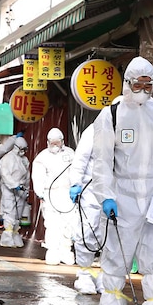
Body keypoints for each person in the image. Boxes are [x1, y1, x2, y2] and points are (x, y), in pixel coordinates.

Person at [85, 57, 153, 305]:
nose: (143, 89)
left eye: (149, 84)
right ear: (127, 83)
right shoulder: (111, 115)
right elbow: (101, 162)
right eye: (138, 83)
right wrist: (106, 196)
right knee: (115, 258)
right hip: (123, 196)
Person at [67, 124, 104, 295]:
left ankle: (106, 276)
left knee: (110, 237)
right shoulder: (95, 130)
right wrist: (76, 183)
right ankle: (84, 273)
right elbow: (80, 159)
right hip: (91, 190)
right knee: (87, 233)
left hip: (116, 192)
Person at [31, 128, 76, 266]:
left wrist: (76, 186)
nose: (55, 145)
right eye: (53, 143)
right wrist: (40, 191)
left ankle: (66, 250)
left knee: (69, 224)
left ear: (62, 141)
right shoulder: (42, 157)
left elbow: (77, 170)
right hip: (51, 194)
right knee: (52, 225)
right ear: (48, 142)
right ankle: (53, 252)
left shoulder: (70, 153)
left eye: (58, 142)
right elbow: (37, 176)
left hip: (67, 194)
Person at [0, 136, 29, 248]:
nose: (24, 151)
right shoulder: (8, 158)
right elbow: (5, 174)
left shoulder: (24, 160)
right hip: (9, 189)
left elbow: (27, 176)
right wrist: (14, 185)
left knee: (18, 214)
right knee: (9, 211)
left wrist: (26, 188)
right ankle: (7, 238)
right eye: (22, 149)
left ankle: (15, 235)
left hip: (21, 190)